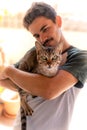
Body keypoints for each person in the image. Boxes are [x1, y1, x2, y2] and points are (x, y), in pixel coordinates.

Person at [0, 2, 87, 130]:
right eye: (36, 35)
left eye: (45, 29)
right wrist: (23, 80)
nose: (42, 38)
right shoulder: (34, 53)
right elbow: (4, 80)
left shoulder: (81, 58)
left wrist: (10, 71)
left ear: (58, 21)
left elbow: (49, 90)